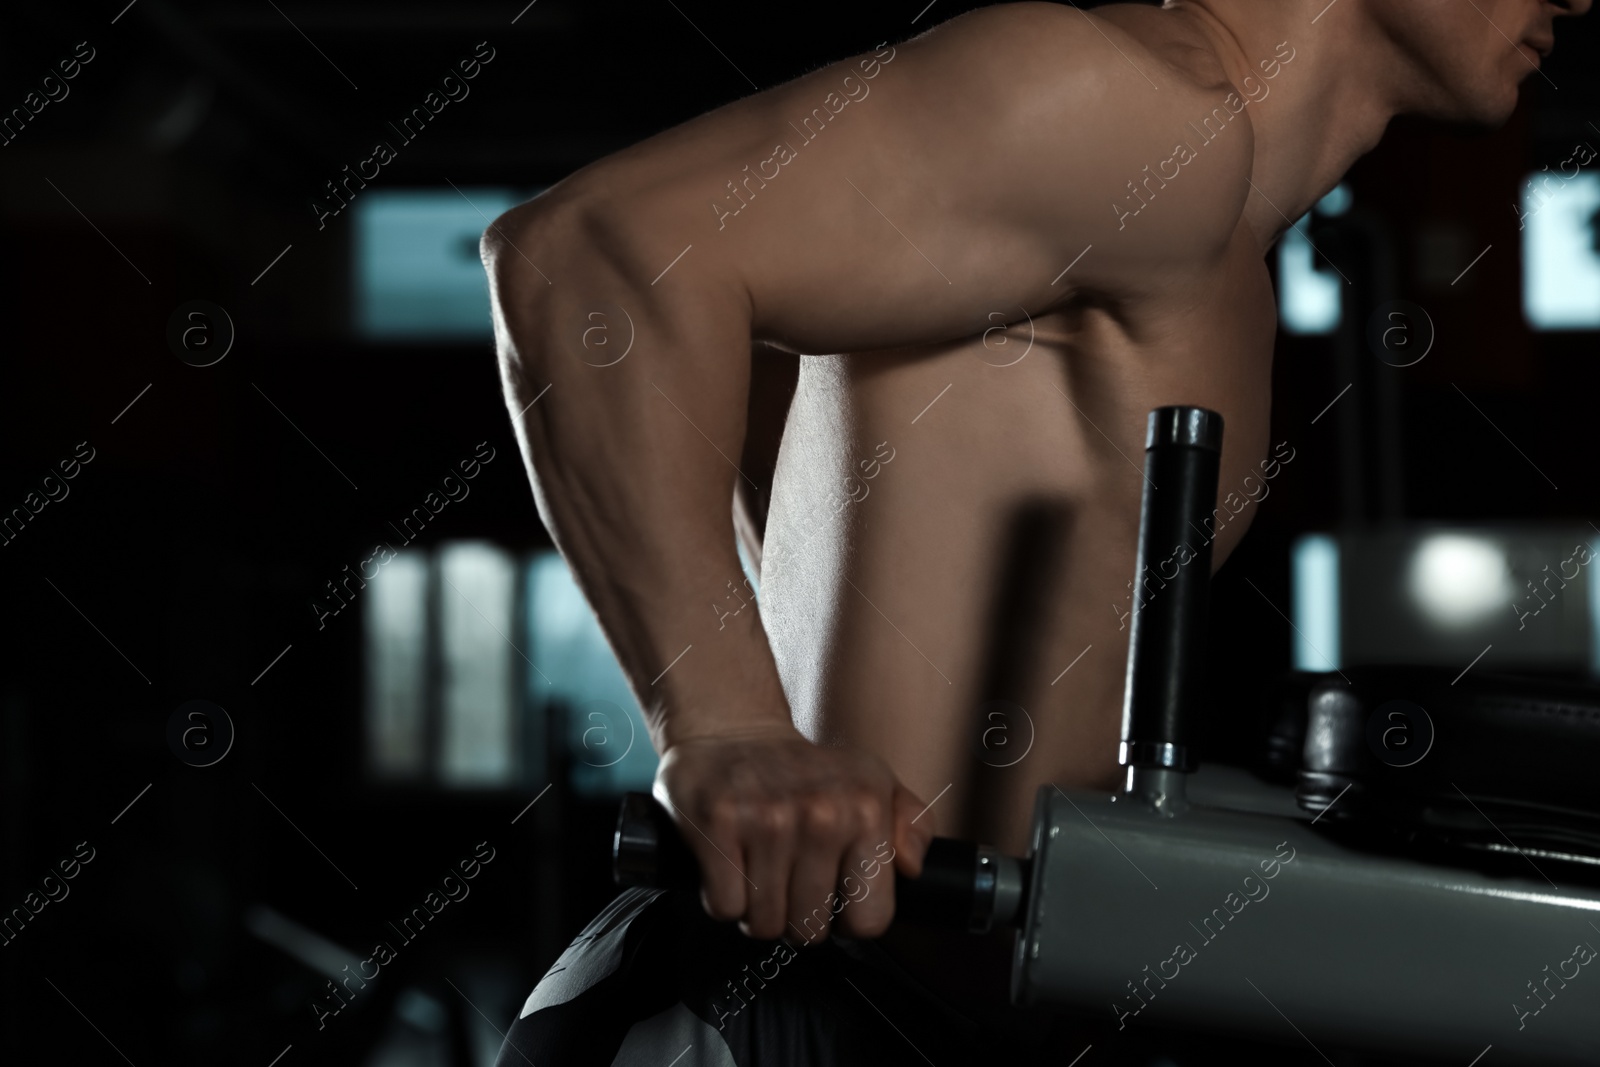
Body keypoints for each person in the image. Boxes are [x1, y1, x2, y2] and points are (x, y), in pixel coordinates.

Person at [481, 1, 1588, 1063]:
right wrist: (726, 727)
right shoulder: (1136, 114)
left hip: (915, 1008)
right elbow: (589, 255)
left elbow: (771, 385)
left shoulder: (1219, 235)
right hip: (792, 999)